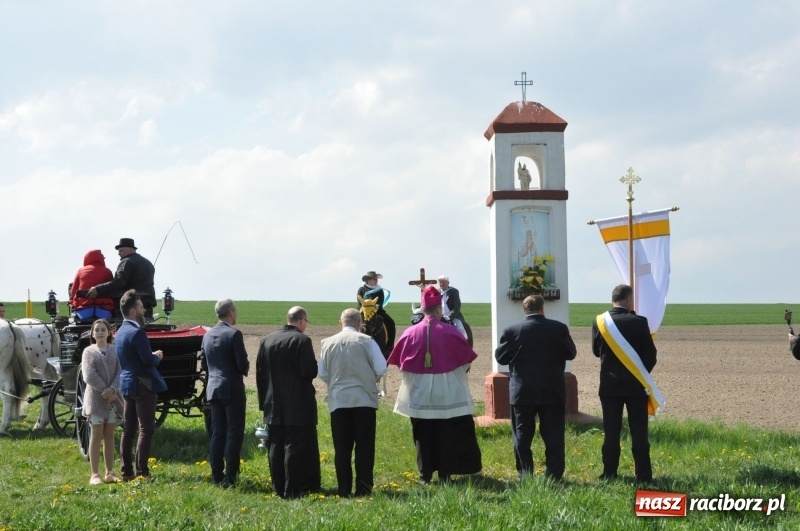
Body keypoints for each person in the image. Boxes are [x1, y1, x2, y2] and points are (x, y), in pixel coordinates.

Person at [387, 285, 482, 484]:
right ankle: (445, 473)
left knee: (422, 433)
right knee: (445, 432)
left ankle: (424, 474)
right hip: (446, 392)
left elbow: (400, 363)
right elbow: (466, 361)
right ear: (439, 309)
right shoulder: (451, 332)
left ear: (422, 310)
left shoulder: (410, 333)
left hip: (419, 392)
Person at [494, 294, 577, 480]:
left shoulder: (512, 330)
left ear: (525, 310)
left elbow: (501, 358)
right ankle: (554, 475)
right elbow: (571, 353)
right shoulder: (558, 328)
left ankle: (525, 473)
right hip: (552, 390)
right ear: (542, 308)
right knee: (554, 435)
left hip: (522, 391)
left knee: (522, 435)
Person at [592, 284, 659, 483]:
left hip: (609, 386)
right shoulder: (639, 321)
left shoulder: (600, 321)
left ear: (613, 299)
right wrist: (639, 373)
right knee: (639, 432)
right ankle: (643, 475)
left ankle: (610, 473)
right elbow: (651, 355)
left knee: (611, 431)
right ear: (629, 300)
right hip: (635, 387)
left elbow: (597, 351)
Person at [318, 308, 387, 497]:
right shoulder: (368, 341)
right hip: (364, 400)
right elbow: (382, 367)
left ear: (340, 322)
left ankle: (344, 489)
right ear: (359, 323)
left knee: (342, 448)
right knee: (364, 447)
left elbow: (322, 373)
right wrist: (370, 378)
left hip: (339, 401)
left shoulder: (327, 343)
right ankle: (364, 489)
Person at [256, 306, 321, 498]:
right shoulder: (302, 340)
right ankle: (294, 487)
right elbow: (309, 371)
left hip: (272, 402)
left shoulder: (266, 340)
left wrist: (263, 403)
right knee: (295, 444)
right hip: (298, 403)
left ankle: (278, 486)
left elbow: (260, 373)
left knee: (275, 444)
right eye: (307, 322)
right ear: (301, 321)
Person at [115, 289, 165, 480]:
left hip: (127, 383)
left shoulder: (119, 332)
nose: (144, 311)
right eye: (141, 308)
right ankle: (142, 472)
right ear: (133, 311)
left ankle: (126, 471)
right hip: (143, 383)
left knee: (128, 429)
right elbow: (147, 360)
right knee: (146, 429)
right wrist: (157, 356)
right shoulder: (137, 333)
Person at [201, 299, 249, 488]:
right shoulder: (234, 334)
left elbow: (204, 363)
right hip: (232, 388)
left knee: (217, 433)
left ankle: (216, 475)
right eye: (235, 311)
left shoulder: (207, 335)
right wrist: (244, 368)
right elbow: (242, 364)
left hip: (213, 388)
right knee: (234, 432)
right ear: (230, 312)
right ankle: (231, 476)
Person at [81, 318, 124, 485]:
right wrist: (104, 390)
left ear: (109, 332)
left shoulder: (114, 351)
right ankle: (94, 474)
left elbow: (120, 372)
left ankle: (110, 472)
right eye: (96, 330)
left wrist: (112, 390)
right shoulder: (88, 352)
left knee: (110, 436)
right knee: (96, 436)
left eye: (103, 329)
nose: (99, 332)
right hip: (96, 400)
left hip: (113, 399)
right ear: (92, 333)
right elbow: (88, 375)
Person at [87, 238, 156, 318]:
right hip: (146, 304)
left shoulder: (127, 261)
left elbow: (119, 282)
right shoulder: (148, 263)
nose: (119, 253)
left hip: (129, 305)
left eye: (121, 250)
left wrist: (98, 289)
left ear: (130, 249)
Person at [69, 249, 115, 320]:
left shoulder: (80, 271)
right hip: (103, 311)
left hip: (84, 311)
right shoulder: (107, 271)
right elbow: (112, 288)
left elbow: (73, 292)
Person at [357, 271, 396, 353]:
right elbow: (359, 301)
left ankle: (390, 345)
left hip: (377, 311)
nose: (376, 280)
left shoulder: (379, 290)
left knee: (391, 323)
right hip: (363, 312)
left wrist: (375, 308)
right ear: (368, 280)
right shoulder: (361, 289)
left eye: (376, 279)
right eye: (373, 279)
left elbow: (380, 302)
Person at [437, 275, 473, 347]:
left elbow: (457, 306)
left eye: (443, 282)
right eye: (440, 282)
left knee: (460, 328)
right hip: (439, 316)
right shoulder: (437, 292)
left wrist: (449, 317)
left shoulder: (453, 291)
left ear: (448, 283)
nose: (441, 284)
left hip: (452, 316)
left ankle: (465, 344)